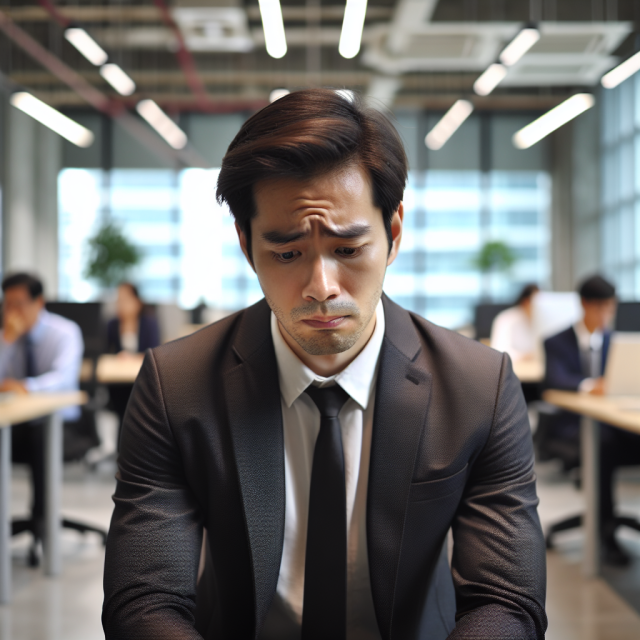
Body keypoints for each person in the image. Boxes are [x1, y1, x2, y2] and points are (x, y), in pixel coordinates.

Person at [103, 89, 547, 640]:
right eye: (287, 253)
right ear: (246, 246)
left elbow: (507, 602)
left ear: (393, 233)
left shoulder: (479, 387)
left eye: (348, 248)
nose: (321, 288)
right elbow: (144, 600)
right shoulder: (178, 386)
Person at [544, 274, 640, 565]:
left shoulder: (617, 341)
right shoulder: (557, 341)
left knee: (617, 439)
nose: (607, 315)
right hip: (574, 426)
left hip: (613, 421)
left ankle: (608, 525)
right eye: (602, 308)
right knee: (604, 445)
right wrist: (589, 385)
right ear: (585, 305)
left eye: (611, 308)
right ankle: (606, 532)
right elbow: (555, 379)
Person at [0, 272, 83, 559]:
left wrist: (26, 387)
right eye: (7, 304)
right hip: (18, 424)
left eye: (19, 303)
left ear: (39, 302)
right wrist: (8, 339)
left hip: (62, 425)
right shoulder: (8, 336)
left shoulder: (65, 332)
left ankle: (43, 522)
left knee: (39, 435)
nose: (12, 311)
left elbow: (64, 378)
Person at [105, 282, 160, 440]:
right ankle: (121, 448)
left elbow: (155, 351)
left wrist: (133, 357)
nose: (121, 304)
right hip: (118, 379)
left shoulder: (149, 322)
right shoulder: (112, 325)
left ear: (137, 301)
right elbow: (105, 352)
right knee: (121, 407)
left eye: (125, 299)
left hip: (142, 377)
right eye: (118, 300)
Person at [490, 283, 540, 363]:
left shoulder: (540, 321)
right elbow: (499, 351)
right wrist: (525, 356)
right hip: (513, 369)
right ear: (526, 302)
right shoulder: (506, 318)